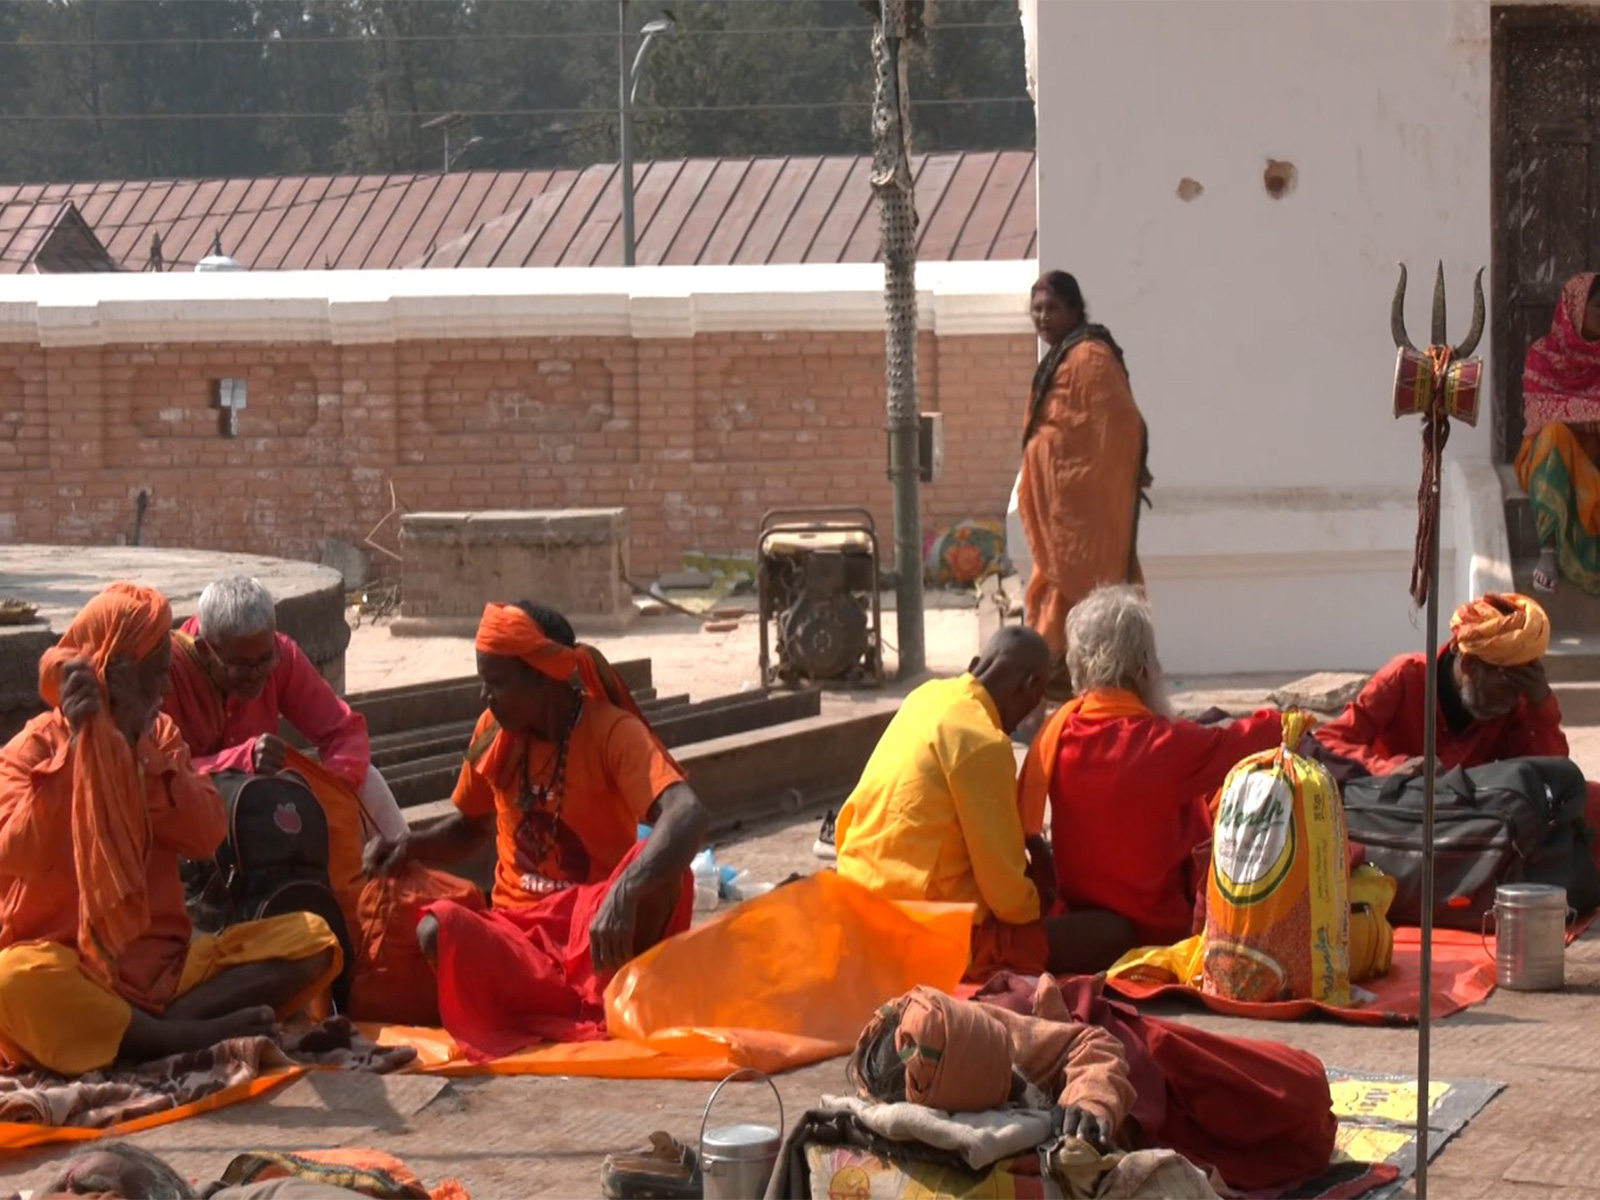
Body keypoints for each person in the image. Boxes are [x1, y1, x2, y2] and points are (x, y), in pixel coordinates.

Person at [0, 583, 342, 1077]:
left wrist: (133, 759)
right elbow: (18, 852)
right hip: (68, 970)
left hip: (167, 970)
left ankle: (143, 1030)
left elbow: (206, 832)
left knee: (314, 938)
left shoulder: (157, 737)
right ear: (109, 676)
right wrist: (83, 751)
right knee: (11, 983)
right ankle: (175, 1035)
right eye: (154, 678)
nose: (164, 692)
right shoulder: (30, 750)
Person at [364, 600, 710, 1059]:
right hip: (517, 934)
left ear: (544, 676)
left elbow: (688, 812)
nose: (485, 698)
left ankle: (556, 1007)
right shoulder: (492, 730)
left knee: (671, 878)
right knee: (437, 931)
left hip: (595, 933)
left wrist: (623, 896)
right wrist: (408, 847)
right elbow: (470, 829)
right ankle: (571, 1010)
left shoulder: (613, 732)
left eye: (497, 684)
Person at [835, 626, 1136, 981]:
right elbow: (1010, 902)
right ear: (1030, 688)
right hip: (923, 934)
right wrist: (1046, 895)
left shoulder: (925, 697)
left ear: (976, 663)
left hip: (856, 900)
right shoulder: (984, 743)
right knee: (1116, 933)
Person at [1019, 586, 1285, 947]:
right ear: (1143, 668)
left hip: (1079, 916)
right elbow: (1246, 741)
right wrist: (1293, 719)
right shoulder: (1165, 743)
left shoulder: (1057, 732)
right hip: (1158, 927)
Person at [163, 576, 404, 923]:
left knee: (369, 781)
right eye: (242, 666)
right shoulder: (169, 671)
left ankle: (410, 893)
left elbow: (343, 731)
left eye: (265, 661)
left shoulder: (279, 654)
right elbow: (158, 770)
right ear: (205, 651)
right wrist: (238, 761)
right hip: (198, 818)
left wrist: (326, 792)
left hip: (271, 809)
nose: (257, 676)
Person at [1017, 271, 1152, 696]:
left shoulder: (1091, 357)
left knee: (1092, 597)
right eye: (1036, 309)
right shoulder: (1063, 356)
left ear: (1075, 310)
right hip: (1061, 513)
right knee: (1054, 592)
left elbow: (1121, 426)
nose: (1042, 316)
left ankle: (1101, 684)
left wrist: (1065, 464)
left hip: (1086, 512)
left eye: (1052, 308)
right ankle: (1052, 682)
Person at [1313, 592, 1567, 778]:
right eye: (1503, 690)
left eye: (1518, 692)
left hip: (1470, 827)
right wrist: (1390, 769)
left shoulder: (1514, 700)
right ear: (1468, 666)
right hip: (1395, 817)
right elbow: (1327, 741)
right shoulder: (1405, 675)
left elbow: (1551, 777)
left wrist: (1541, 706)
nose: (1512, 702)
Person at [1518, 271, 1600, 594]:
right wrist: (1584, 419)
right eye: (1598, 307)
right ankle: (1548, 551)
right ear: (1575, 309)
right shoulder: (1543, 355)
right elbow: (1541, 412)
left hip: (1592, 460)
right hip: (1547, 461)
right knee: (1554, 435)